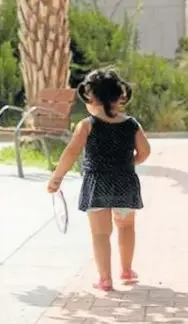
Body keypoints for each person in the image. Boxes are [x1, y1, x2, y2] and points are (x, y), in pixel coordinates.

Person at [46, 68, 151, 291]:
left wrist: (57, 178)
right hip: (124, 183)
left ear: (91, 97)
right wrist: (128, 164)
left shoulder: (87, 125)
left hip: (97, 185)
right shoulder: (131, 124)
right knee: (126, 227)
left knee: (101, 233)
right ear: (118, 96)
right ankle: (126, 270)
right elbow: (145, 151)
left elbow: (71, 153)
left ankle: (105, 279)